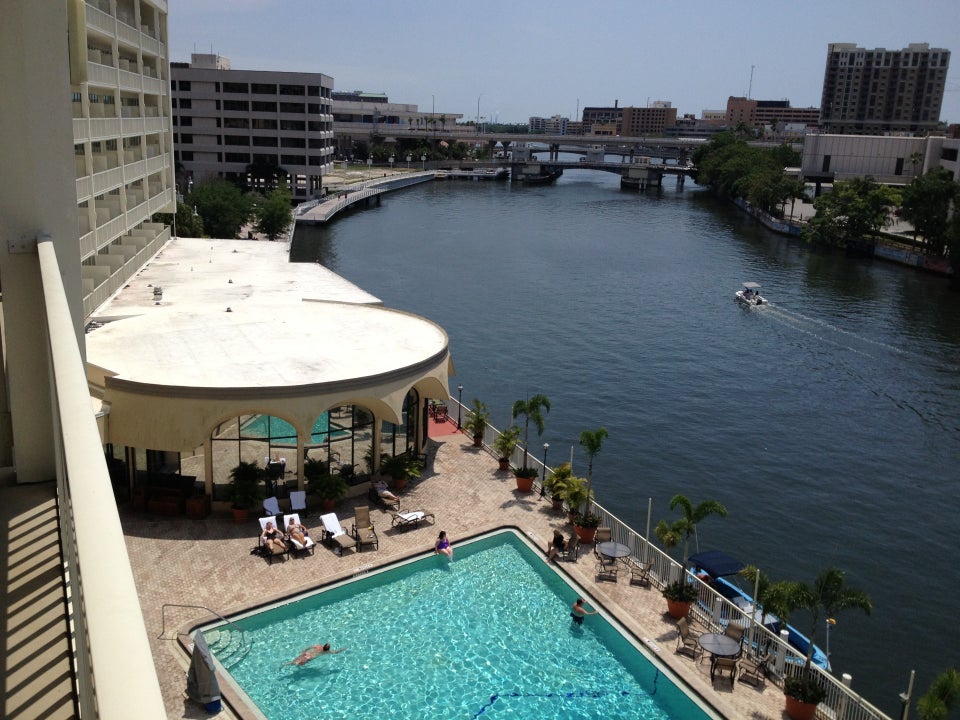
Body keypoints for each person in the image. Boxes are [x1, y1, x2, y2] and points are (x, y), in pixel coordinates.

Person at [282, 643, 347, 667]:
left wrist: (304, 650)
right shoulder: (325, 652)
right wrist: (343, 649)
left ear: (324, 645)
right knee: (299, 664)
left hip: (306, 653)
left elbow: (311, 646)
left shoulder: (318, 646)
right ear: (328, 649)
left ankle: (285, 664)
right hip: (309, 657)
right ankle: (296, 665)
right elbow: (336, 652)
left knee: (295, 661)